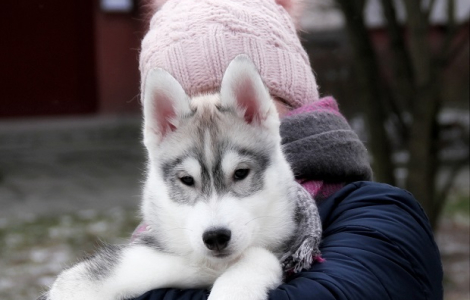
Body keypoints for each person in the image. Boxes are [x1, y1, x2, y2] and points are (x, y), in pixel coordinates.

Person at [131, 0, 444, 299]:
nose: (208, 130)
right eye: (188, 110)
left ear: (258, 106)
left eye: (231, 103)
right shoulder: (156, 232)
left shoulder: (381, 213)